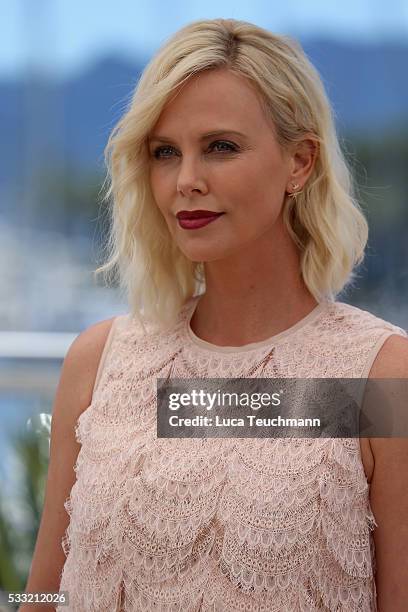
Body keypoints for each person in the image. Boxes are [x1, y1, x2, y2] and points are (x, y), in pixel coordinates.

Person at [22, 18, 408, 612]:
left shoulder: (379, 375)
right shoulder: (98, 362)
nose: (186, 181)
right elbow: (43, 593)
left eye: (220, 147)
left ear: (300, 162)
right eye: (164, 153)